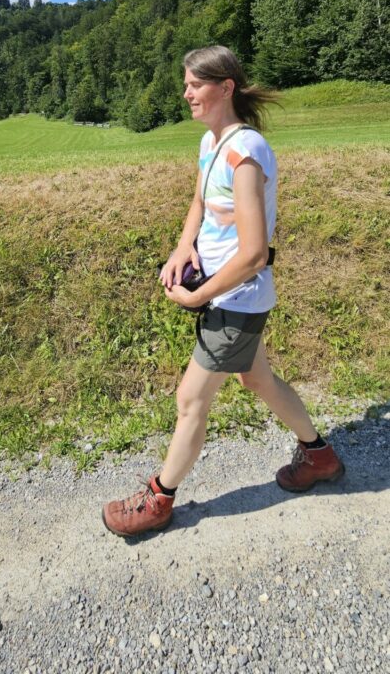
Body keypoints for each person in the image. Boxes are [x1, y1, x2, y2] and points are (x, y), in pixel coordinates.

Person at [102, 45, 344, 537]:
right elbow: (200, 202)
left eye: (195, 84)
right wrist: (182, 247)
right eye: (186, 83)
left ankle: (159, 500)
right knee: (258, 381)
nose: (186, 92)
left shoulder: (246, 150)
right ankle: (321, 458)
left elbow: (254, 252)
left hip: (236, 298)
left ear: (225, 87)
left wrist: (197, 296)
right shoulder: (212, 144)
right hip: (223, 292)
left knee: (191, 399)